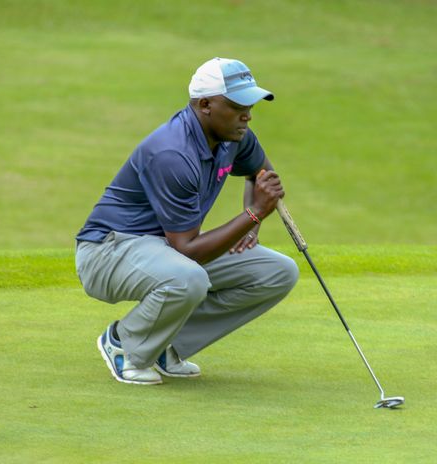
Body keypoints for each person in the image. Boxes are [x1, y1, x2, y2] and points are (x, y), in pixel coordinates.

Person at [75, 57, 299, 385]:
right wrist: (253, 214)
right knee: (189, 278)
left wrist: (253, 221)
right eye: (238, 106)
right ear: (205, 104)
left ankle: (165, 345)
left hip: (163, 247)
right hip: (106, 252)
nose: (247, 116)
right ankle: (126, 345)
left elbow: (260, 173)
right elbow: (188, 250)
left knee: (277, 272)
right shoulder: (172, 153)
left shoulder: (234, 136)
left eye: (250, 106)